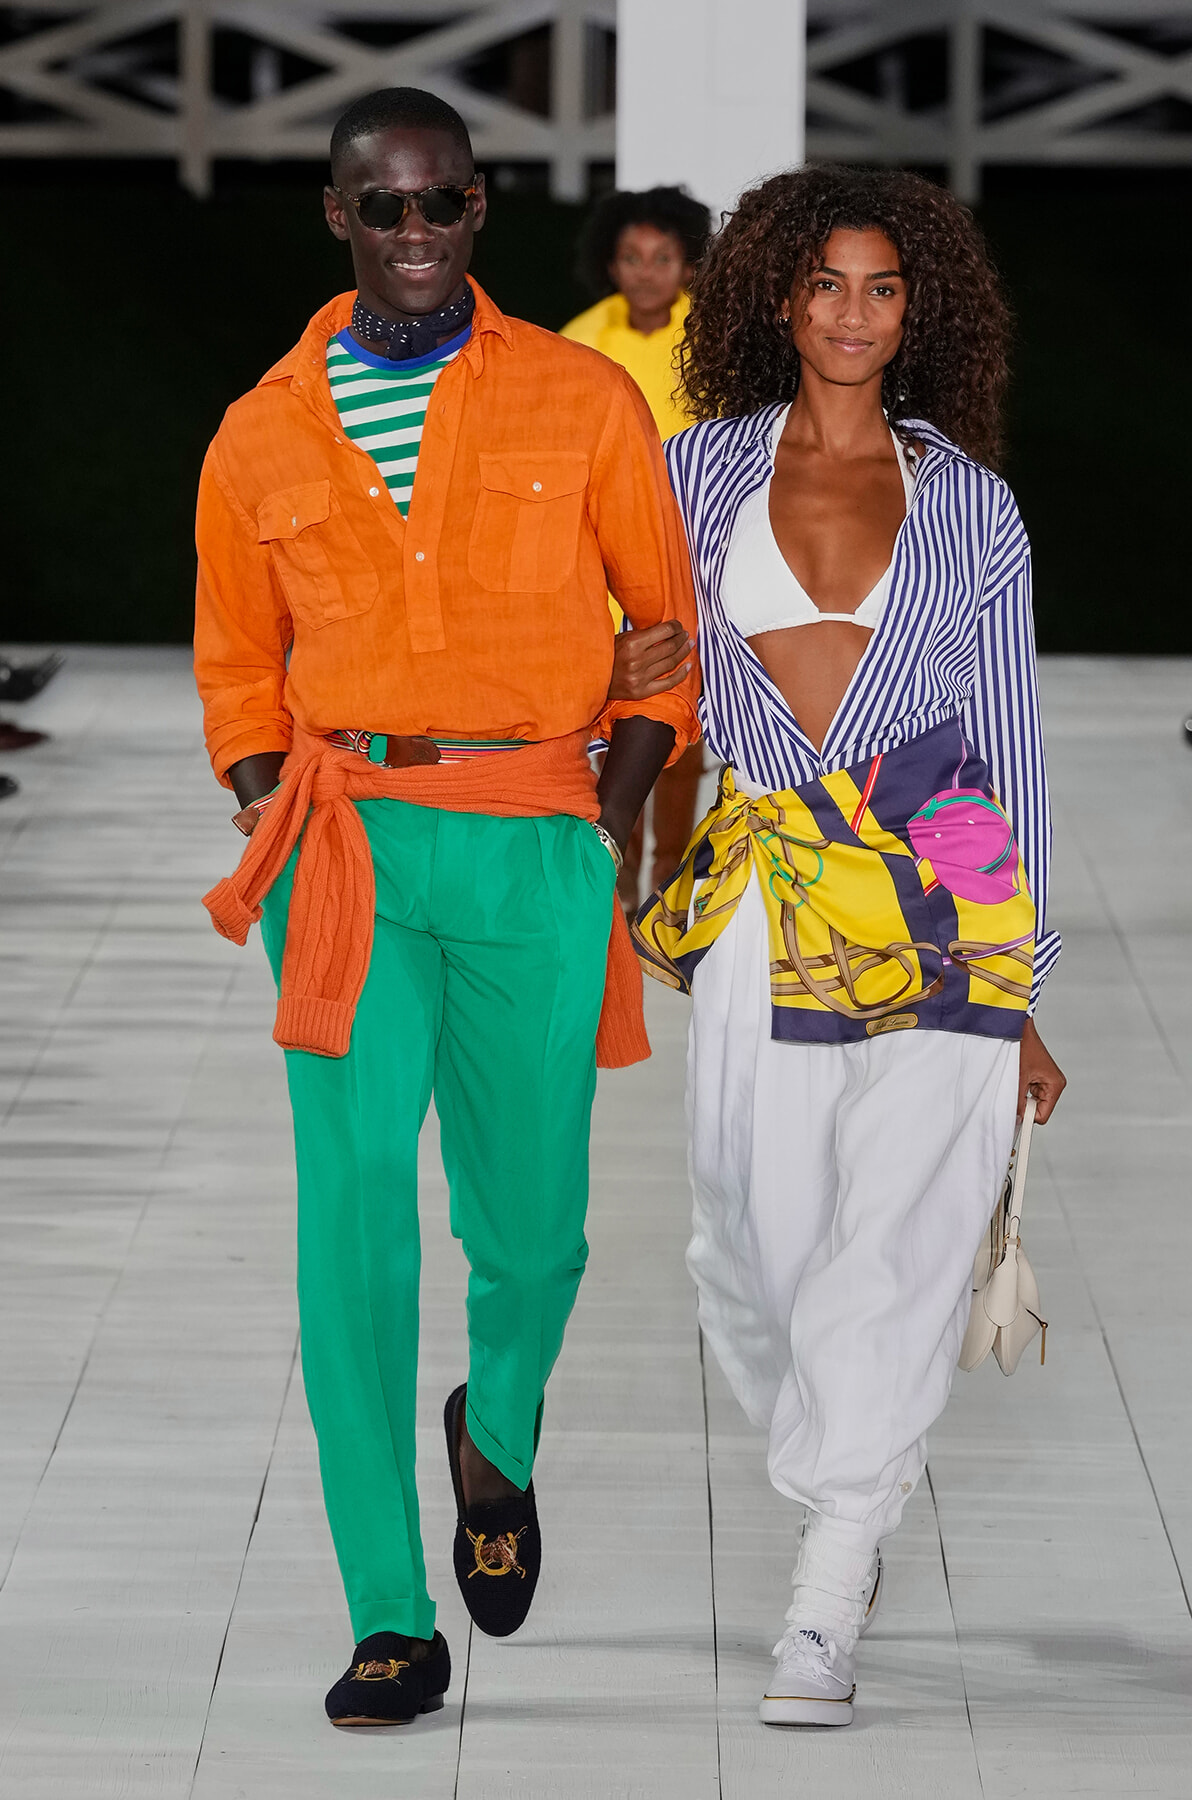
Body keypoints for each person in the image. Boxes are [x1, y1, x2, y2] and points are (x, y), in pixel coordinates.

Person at [193, 87, 698, 1728]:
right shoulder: (261, 429)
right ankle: (389, 1613)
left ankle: (500, 1431)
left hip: (535, 837)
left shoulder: (580, 395)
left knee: (534, 1228)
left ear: (479, 212)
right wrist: (273, 813)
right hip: (347, 858)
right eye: (381, 207)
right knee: (350, 1227)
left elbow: (664, 627)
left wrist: (609, 822)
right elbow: (233, 671)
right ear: (336, 218)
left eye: (442, 204)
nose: (414, 232)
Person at [633, 165, 1066, 1728]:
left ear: (919, 308)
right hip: (764, 880)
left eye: (884, 287)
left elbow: (1007, 743)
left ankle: (834, 1573)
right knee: (752, 1227)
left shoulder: (970, 501)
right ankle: (848, 1471)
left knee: (906, 1221)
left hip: (941, 878)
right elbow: (636, 680)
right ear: (772, 297)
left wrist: (1028, 990)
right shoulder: (694, 474)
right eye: (825, 283)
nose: (853, 314)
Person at [561, 188, 712, 917]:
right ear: (609, 263)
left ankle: (672, 884)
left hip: (692, 567)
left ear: (688, 261)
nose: (648, 272)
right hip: (601, 571)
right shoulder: (579, 341)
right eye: (632, 257)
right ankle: (614, 875)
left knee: (681, 733)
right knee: (610, 732)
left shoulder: (715, 340)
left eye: (663, 257)